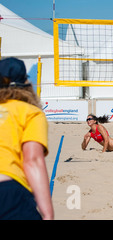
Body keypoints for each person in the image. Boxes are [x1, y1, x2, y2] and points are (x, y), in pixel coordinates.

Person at [0, 57, 54, 220]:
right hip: (8, 191)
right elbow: (33, 161)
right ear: (25, 82)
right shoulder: (31, 112)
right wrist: (47, 213)